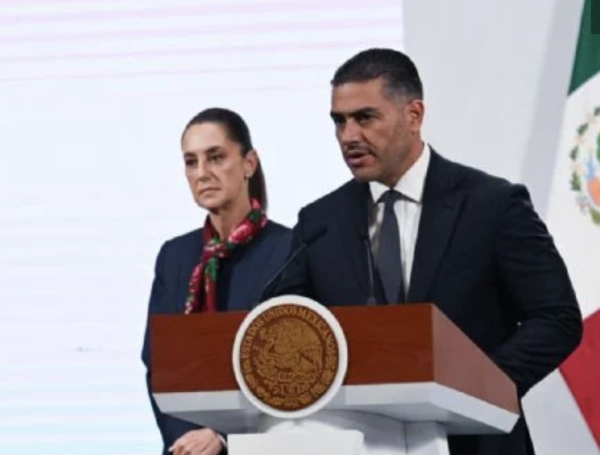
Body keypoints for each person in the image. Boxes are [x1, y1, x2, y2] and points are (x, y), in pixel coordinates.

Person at [271, 48, 583, 455]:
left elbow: (557, 318)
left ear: (414, 115)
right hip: (361, 443)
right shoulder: (320, 222)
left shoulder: (492, 205)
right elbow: (282, 324)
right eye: (339, 121)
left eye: (365, 117)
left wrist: (478, 386)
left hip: (477, 442)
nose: (348, 136)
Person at [141, 107, 291, 455]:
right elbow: (158, 362)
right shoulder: (175, 256)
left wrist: (223, 435)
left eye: (216, 157)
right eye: (191, 162)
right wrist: (185, 439)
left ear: (249, 163)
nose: (202, 173)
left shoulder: (291, 250)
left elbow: (290, 368)